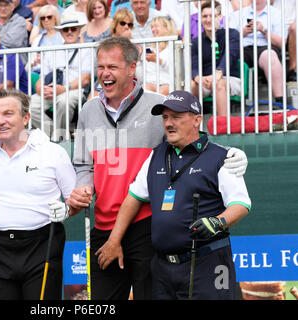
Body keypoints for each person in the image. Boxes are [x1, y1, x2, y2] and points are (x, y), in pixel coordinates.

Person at [66, 37, 249, 300]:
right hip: (104, 227)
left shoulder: (159, 105)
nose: (104, 73)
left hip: (148, 226)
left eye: (113, 67)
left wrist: (233, 154)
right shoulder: (87, 110)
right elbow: (83, 165)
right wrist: (83, 187)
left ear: (131, 68)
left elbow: (193, 143)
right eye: (100, 66)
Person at [97, 90, 251, 299]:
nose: (169, 123)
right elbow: (133, 197)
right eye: (165, 117)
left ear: (197, 120)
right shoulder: (156, 155)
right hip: (163, 268)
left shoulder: (221, 157)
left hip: (208, 263)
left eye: (176, 117)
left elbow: (241, 204)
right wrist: (114, 239)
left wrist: (217, 222)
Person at [0, 88, 76, 300]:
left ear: (26, 117)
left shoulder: (52, 153)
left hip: (42, 245)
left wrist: (67, 209)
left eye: (8, 114)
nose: (0, 121)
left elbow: (74, 199)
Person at [29, 12, 92, 141]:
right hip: (51, 91)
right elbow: (41, 77)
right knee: (28, 105)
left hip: (74, 90)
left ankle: (58, 139)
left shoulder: (87, 50)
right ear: (61, 32)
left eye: (73, 29)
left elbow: (85, 78)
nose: (69, 32)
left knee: (64, 101)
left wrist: (64, 88)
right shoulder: (53, 50)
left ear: (79, 31)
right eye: (65, 29)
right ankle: (55, 135)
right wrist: (41, 89)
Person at [229, 0, 285, 106]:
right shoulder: (237, 14)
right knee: (229, 56)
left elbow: (282, 43)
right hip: (242, 48)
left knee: (270, 56)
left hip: (265, 47)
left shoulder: (276, 14)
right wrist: (242, 32)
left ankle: (280, 101)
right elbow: (228, 39)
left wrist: (263, 30)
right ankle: (231, 100)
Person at [191, 0, 240, 117]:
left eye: (212, 16)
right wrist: (198, 78)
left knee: (219, 84)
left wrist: (218, 73)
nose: (208, 20)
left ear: (220, 16)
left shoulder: (232, 34)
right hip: (206, 81)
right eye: (204, 16)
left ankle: (223, 125)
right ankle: (192, 126)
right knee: (190, 85)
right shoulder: (196, 41)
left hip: (229, 78)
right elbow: (193, 64)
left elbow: (230, 56)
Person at [143, 15, 177, 95]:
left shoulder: (173, 46)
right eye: (152, 27)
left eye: (156, 26)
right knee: (144, 91)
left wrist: (158, 60)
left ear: (166, 28)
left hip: (168, 83)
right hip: (151, 82)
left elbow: (177, 69)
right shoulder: (150, 48)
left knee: (161, 93)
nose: (153, 29)